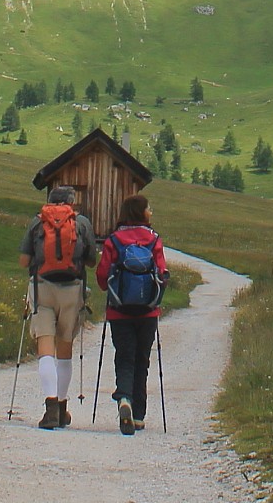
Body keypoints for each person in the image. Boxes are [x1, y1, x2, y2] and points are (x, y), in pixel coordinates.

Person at [19, 184, 97, 430]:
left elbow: (23, 261)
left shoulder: (37, 221)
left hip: (42, 288)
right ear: (71, 202)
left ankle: (50, 408)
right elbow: (92, 262)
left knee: (45, 349)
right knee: (65, 349)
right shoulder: (81, 222)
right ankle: (62, 408)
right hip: (72, 290)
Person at [95, 193, 167, 436]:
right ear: (142, 212)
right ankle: (138, 415)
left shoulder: (114, 240)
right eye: (149, 208)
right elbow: (162, 272)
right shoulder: (153, 240)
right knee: (142, 361)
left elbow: (103, 278)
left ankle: (123, 397)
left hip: (119, 311)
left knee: (125, 357)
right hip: (147, 311)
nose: (151, 212)